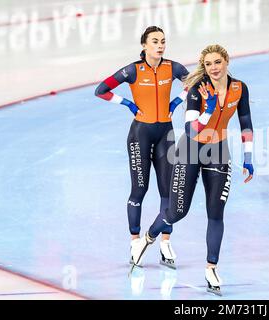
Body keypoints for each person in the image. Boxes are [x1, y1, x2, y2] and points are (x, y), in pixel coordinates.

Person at [131, 44, 254, 296]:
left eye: (217, 62)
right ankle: (148, 238)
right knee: (177, 212)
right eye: (208, 64)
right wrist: (208, 110)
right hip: (191, 150)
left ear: (226, 61)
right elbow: (190, 130)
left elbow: (246, 123)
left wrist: (249, 158)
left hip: (219, 151)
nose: (214, 68)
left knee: (216, 213)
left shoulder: (239, 88)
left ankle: (211, 268)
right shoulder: (198, 90)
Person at [94, 26, 189, 269]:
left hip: (165, 133)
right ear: (144, 45)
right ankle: (135, 241)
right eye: (155, 41)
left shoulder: (173, 68)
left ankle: (165, 242)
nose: (160, 45)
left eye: (163, 41)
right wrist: (126, 102)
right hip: (140, 135)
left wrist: (178, 100)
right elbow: (101, 90)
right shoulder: (133, 70)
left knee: (168, 191)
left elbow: (197, 84)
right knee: (140, 189)